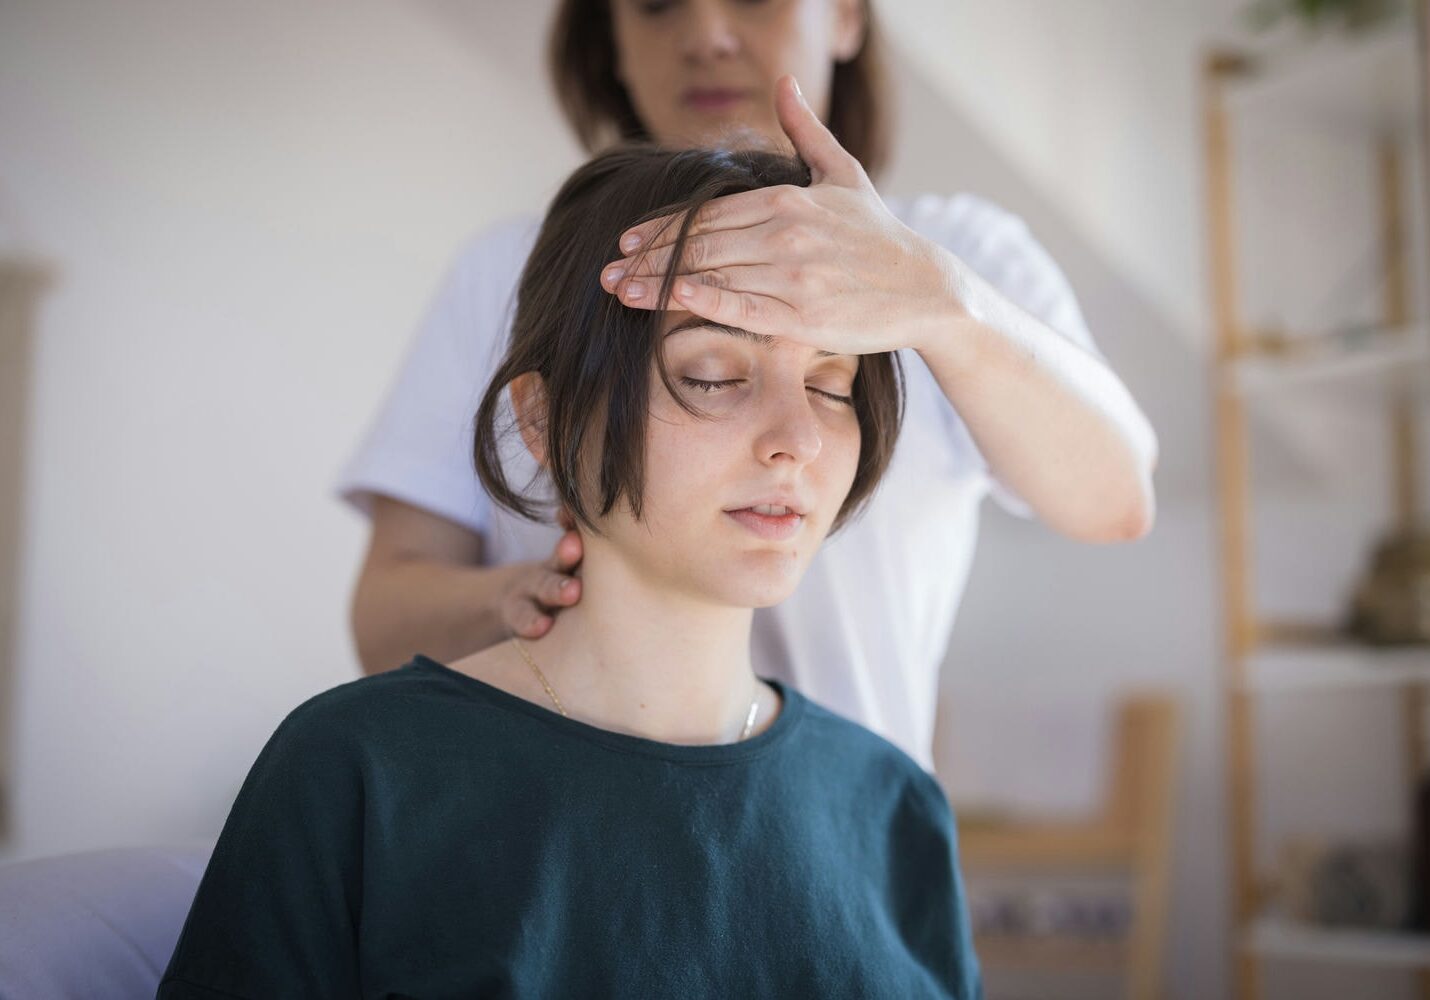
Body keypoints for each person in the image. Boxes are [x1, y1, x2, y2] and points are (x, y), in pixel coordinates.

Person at [158, 143, 981, 999]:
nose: (796, 440)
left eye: (830, 383)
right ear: (545, 420)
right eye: (712, 374)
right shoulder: (357, 772)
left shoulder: (894, 809)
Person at [337, 0, 1158, 772]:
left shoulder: (956, 253)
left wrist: (944, 307)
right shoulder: (509, 276)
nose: (706, 33)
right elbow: (387, 620)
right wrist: (523, 602)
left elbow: (1117, 498)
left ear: (843, 12)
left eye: (832, 385)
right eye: (708, 375)